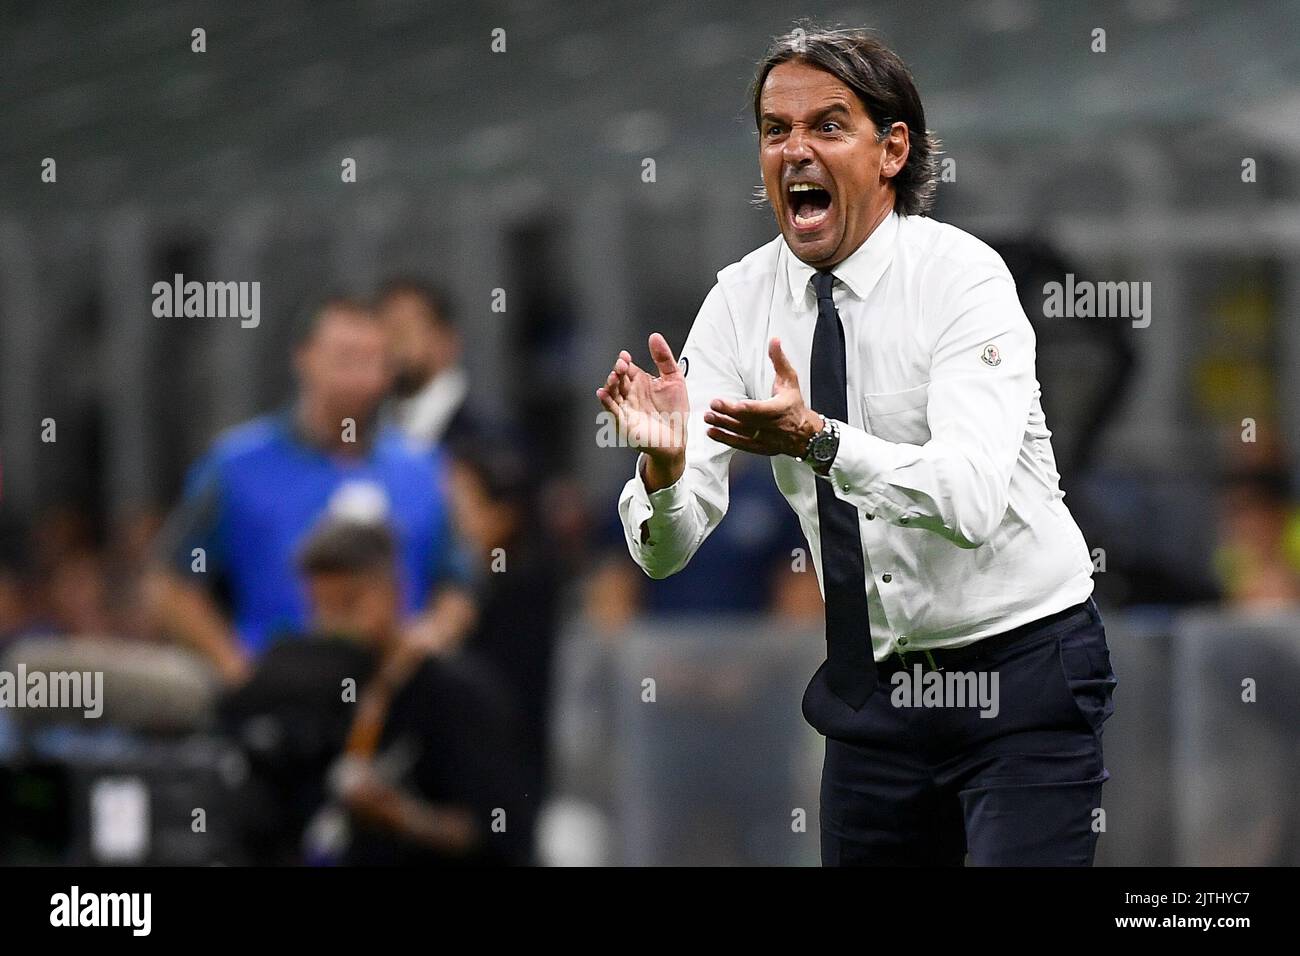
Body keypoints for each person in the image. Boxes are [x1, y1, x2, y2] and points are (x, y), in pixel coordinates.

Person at [596, 26, 1116, 866]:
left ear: (891, 150)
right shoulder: (738, 301)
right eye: (776, 130)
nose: (795, 149)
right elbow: (664, 552)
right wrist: (663, 472)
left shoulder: (965, 280)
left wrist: (819, 441)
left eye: (827, 126)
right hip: (871, 693)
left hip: (1021, 670)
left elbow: (970, 502)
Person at [148, 296, 477, 684]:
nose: (359, 376)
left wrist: (431, 638)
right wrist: (236, 668)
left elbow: (460, 580)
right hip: (280, 690)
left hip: (397, 698)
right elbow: (171, 583)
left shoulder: (423, 468)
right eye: (344, 357)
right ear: (304, 357)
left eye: (373, 359)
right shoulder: (237, 466)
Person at [219, 516, 524, 866]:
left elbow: (500, 832)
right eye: (320, 608)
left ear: (396, 591)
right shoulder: (322, 694)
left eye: (349, 604)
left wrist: (400, 815)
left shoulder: (455, 693)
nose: (334, 626)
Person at [376, 277, 481, 455]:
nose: (391, 345)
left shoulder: (483, 439)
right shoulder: (367, 428)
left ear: (447, 341)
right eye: (383, 328)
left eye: (403, 330)